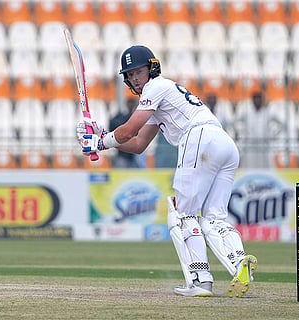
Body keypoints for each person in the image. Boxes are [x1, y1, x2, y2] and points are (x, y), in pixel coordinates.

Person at [76, 45, 257, 297]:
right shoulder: (159, 97)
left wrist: (99, 143)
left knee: (181, 214)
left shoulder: (155, 87)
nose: (135, 79)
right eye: (130, 75)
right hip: (224, 144)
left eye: (139, 72)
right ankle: (240, 262)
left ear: (152, 69)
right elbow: (138, 144)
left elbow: (128, 130)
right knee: (214, 217)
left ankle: (199, 281)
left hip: (199, 138)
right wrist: (101, 135)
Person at [235, 91, 283, 168]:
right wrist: (241, 132)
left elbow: (282, 124)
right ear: (252, 100)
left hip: (264, 144)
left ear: (262, 100)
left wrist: (274, 135)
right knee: (249, 167)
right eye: (255, 99)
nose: (257, 101)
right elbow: (234, 122)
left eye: (259, 99)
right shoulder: (246, 113)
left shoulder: (268, 112)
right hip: (250, 145)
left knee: (266, 167)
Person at [108, 97, 146, 168]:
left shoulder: (138, 117)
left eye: (132, 103)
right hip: (123, 153)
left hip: (135, 153)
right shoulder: (121, 116)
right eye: (130, 103)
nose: (131, 105)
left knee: (139, 170)